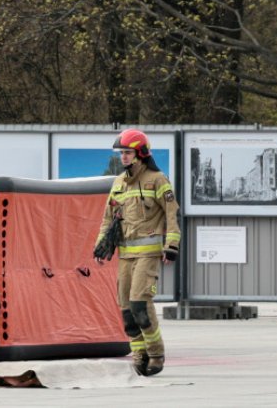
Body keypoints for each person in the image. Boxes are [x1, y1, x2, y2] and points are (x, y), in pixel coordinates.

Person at [94, 128, 180, 376]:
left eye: (127, 153)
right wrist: (100, 245)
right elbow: (108, 218)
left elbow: (172, 214)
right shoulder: (119, 183)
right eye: (121, 153)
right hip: (125, 255)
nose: (123, 157)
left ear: (140, 153)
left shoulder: (157, 179)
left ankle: (156, 354)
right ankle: (139, 354)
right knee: (126, 309)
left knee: (140, 304)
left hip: (148, 254)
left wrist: (171, 245)